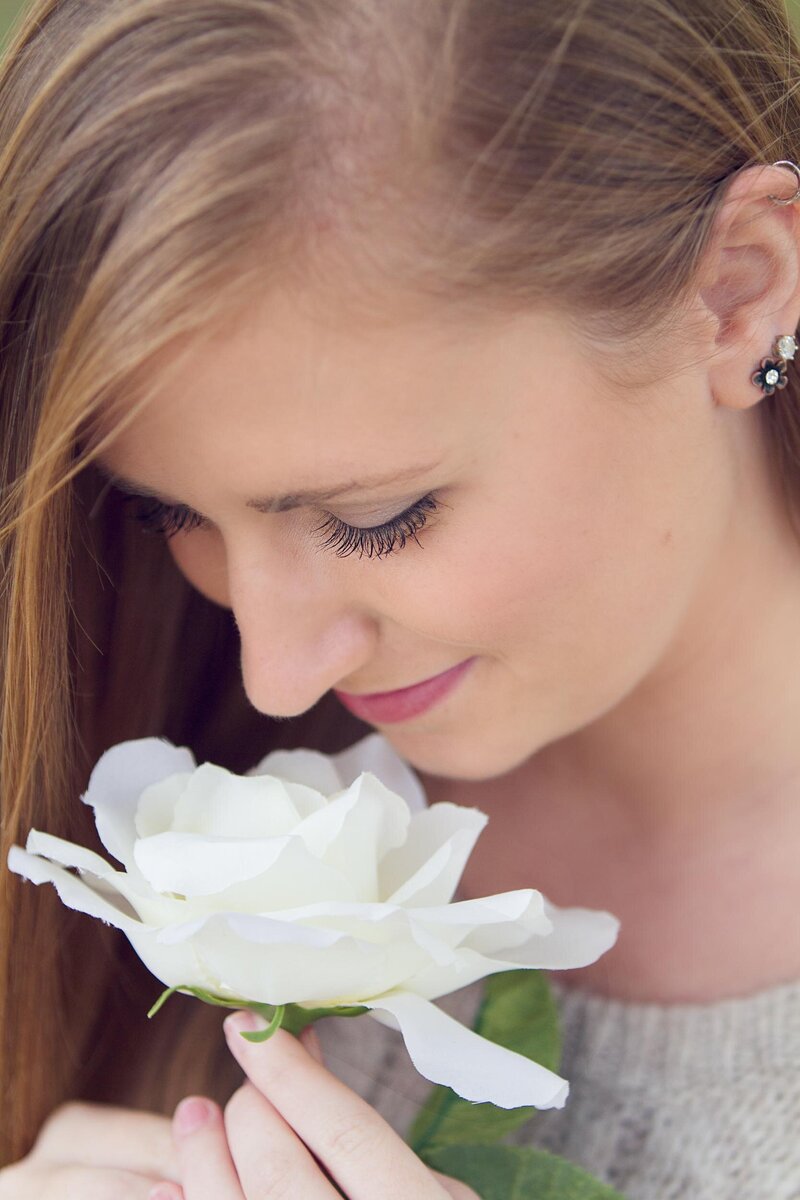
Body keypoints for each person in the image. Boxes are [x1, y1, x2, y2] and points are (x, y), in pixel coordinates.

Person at [1, 0, 800, 1196]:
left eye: (378, 518)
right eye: (170, 514)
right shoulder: (134, 742)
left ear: (737, 289)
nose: (277, 671)